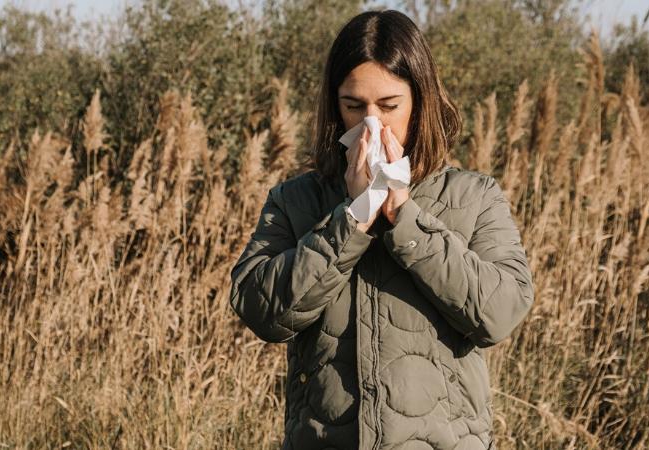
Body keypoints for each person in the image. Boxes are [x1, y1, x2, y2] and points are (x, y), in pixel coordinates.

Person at [229, 9, 534, 450]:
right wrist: (351, 219)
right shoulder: (295, 200)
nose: (372, 123)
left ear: (420, 102)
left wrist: (405, 218)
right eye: (354, 106)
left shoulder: (474, 196)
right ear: (335, 106)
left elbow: (500, 313)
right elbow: (259, 308)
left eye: (389, 106)